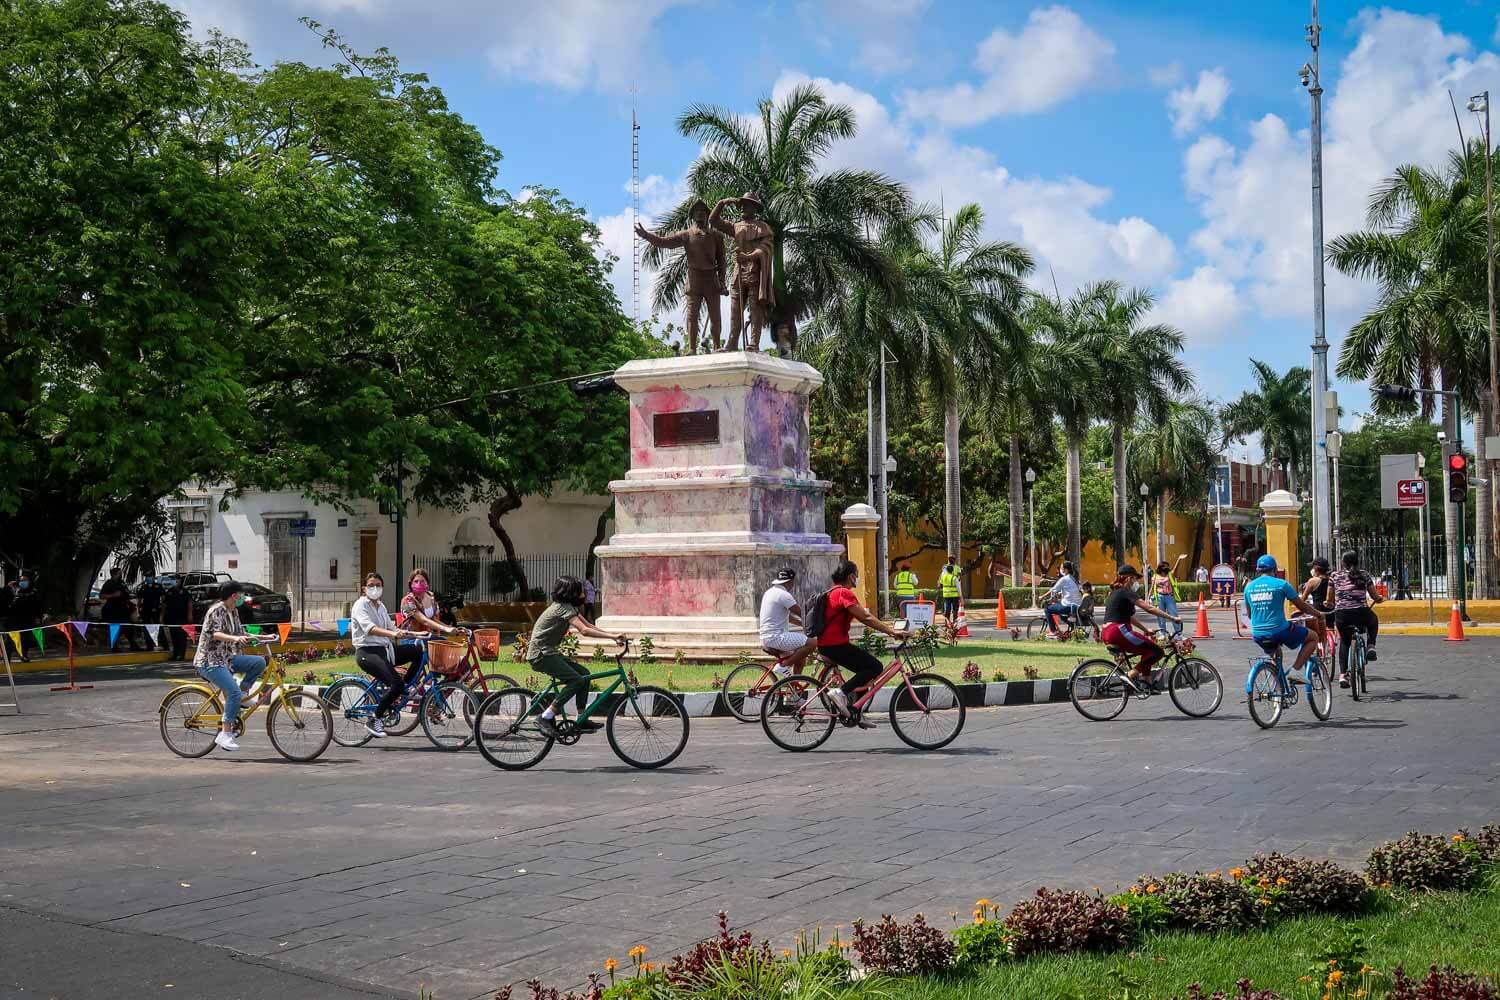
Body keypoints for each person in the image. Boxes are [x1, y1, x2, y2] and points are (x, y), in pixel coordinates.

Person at [528, 575, 627, 740]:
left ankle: (582, 718)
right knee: (576, 680)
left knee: (584, 675)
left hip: (548, 652)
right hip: (541, 654)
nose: (583, 594)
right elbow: (584, 631)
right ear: (570, 593)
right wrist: (612, 637)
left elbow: (589, 625)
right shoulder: (563, 608)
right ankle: (545, 717)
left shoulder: (568, 607)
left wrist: (612, 636)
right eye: (580, 591)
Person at [815, 560, 910, 728]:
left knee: (865, 670)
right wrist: (891, 632)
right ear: (851, 576)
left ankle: (856, 712)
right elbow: (865, 618)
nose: (857, 578)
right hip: (835, 645)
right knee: (875, 667)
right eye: (857, 574)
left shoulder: (833, 592)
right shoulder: (844, 593)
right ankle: (840, 692)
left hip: (829, 644)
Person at [192, 580, 269, 752]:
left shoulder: (233, 610)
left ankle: (243, 693)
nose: (242, 597)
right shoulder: (216, 610)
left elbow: (240, 633)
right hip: (209, 661)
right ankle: (225, 734)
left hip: (226, 658)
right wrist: (235, 639)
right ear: (234, 595)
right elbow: (215, 634)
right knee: (232, 691)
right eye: (240, 594)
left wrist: (264, 637)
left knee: (259, 662)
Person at [351, 572, 429, 739]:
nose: (375, 588)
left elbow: (393, 628)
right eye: (371, 585)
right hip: (367, 652)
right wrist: (393, 635)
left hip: (386, 650)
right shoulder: (360, 605)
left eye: (378, 585)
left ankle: (403, 688)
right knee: (396, 683)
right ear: (364, 588)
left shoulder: (381, 606)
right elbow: (370, 628)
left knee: (418, 653)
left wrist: (415, 634)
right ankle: (375, 719)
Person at [1243, 555, 1325, 683]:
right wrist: (1318, 614)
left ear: (1258, 570)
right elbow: (1301, 605)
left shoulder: (1248, 587)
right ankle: (1296, 671)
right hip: (1279, 629)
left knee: (1276, 653)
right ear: (1275, 570)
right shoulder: (1281, 584)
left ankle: (1278, 689)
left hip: (1258, 633)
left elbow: (1249, 615)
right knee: (1313, 637)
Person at [1099, 565, 1181, 688]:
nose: (1135, 582)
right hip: (1118, 631)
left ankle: (1147, 684)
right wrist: (1172, 618)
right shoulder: (1126, 592)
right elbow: (1149, 608)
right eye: (1134, 579)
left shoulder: (1115, 593)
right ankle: (1130, 675)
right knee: (1158, 652)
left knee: (1148, 651)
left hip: (1107, 632)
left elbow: (1129, 617)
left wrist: (1145, 630)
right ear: (1128, 579)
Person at [1330, 550, 1383, 687]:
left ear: (1343, 562)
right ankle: (1371, 646)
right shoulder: (1364, 574)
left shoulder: (1334, 575)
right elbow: (1374, 595)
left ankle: (1342, 675)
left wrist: (1329, 603)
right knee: (1373, 620)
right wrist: (1379, 599)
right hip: (1361, 613)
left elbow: (1329, 599)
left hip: (1342, 615)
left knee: (1345, 642)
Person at [758, 568, 817, 675]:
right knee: (812, 643)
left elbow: (788, 617)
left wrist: (802, 625)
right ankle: (782, 666)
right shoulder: (784, 595)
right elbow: (802, 614)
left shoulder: (770, 592)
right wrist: (817, 623)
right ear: (790, 581)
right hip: (776, 637)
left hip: (767, 637)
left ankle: (794, 686)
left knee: (800, 659)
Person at [399, 568, 457, 639]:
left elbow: (433, 619)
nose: (419, 584)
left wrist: (449, 628)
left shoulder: (431, 597)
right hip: (412, 638)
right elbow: (424, 620)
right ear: (411, 584)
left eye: (422, 581)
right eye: (416, 581)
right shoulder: (408, 600)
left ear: (427, 583)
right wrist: (445, 629)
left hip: (429, 636)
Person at [100, 565, 140, 652]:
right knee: (114, 628)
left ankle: (133, 645)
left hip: (123, 609)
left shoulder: (122, 583)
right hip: (113, 610)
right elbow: (101, 595)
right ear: (114, 574)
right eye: (119, 573)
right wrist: (113, 595)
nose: (121, 575)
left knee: (128, 627)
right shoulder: (109, 583)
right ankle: (114, 648)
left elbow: (125, 594)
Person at [4, 571, 41, 662]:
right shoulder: (14, 590)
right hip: (13, 619)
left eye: (25, 580)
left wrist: (38, 617)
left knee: (25, 639)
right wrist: (7, 588)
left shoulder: (33, 592)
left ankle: (24, 656)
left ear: (29, 581)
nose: (22, 582)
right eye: (21, 580)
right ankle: (7, 658)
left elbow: (38, 606)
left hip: (27, 619)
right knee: (11, 639)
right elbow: (5, 601)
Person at [1042, 561, 1084, 636]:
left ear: (1066, 570)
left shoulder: (1064, 579)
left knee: (1047, 610)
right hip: (1076, 605)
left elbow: (1053, 589)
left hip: (1067, 605)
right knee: (1062, 615)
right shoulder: (1074, 578)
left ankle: (1053, 631)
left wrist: (1042, 596)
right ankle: (1073, 629)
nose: (1061, 570)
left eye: (1062, 568)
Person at [161, 576, 194, 661]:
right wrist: (162, 616)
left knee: (181, 637)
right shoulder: (169, 592)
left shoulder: (185, 591)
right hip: (171, 618)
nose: (175, 581)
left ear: (180, 581)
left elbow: (189, 603)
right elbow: (164, 605)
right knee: (173, 637)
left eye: (177, 580)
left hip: (182, 618)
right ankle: (175, 654)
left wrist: (190, 615)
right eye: (173, 580)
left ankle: (181, 655)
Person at [1153, 555, 1187, 637]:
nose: (1167, 568)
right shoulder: (1155, 576)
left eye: (1168, 566)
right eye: (1165, 566)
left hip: (1169, 597)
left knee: (1173, 614)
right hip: (1159, 597)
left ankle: (1178, 633)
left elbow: (1175, 570)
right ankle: (1162, 634)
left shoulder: (1170, 575)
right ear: (1160, 568)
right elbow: (1152, 587)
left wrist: (1178, 560)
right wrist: (1148, 598)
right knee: (1160, 616)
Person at [137, 576, 165, 651]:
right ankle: (149, 645)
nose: (149, 578)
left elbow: (163, 599)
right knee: (146, 628)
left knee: (158, 628)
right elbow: (139, 600)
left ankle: (164, 645)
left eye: (150, 576)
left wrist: (162, 611)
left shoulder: (158, 586)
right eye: (147, 577)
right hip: (146, 610)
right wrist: (138, 610)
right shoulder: (143, 587)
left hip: (156, 610)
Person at [938, 560, 961, 626]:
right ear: (952, 570)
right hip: (954, 595)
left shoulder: (943, 576)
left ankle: (947, 621)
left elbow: (940, 585)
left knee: (947, 608)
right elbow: (958, 588)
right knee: (955, 609)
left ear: (947, 570)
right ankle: (955, 621)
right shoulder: (954, 577)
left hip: (946, 595)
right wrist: (960, 597)